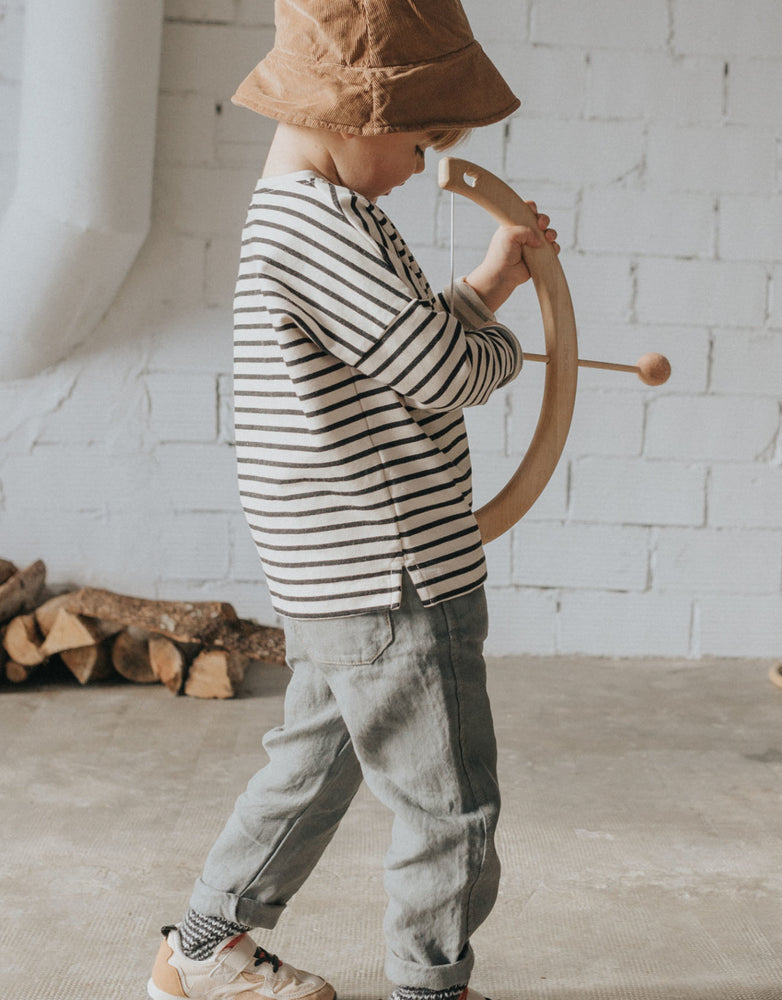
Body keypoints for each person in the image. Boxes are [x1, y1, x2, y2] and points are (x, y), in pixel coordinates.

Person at [146, 2, 559, 1000]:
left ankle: (203, 947)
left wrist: (486, 288)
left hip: (342, 575)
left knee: (311, 769)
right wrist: (500, 345)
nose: (420, 166)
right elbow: (438, 368)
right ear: (355, 115)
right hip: (395, 573)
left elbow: (395, 351)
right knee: (448, 804)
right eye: (417, 141)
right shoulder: (323, 225)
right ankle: (429, 986)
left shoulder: (302, 217)